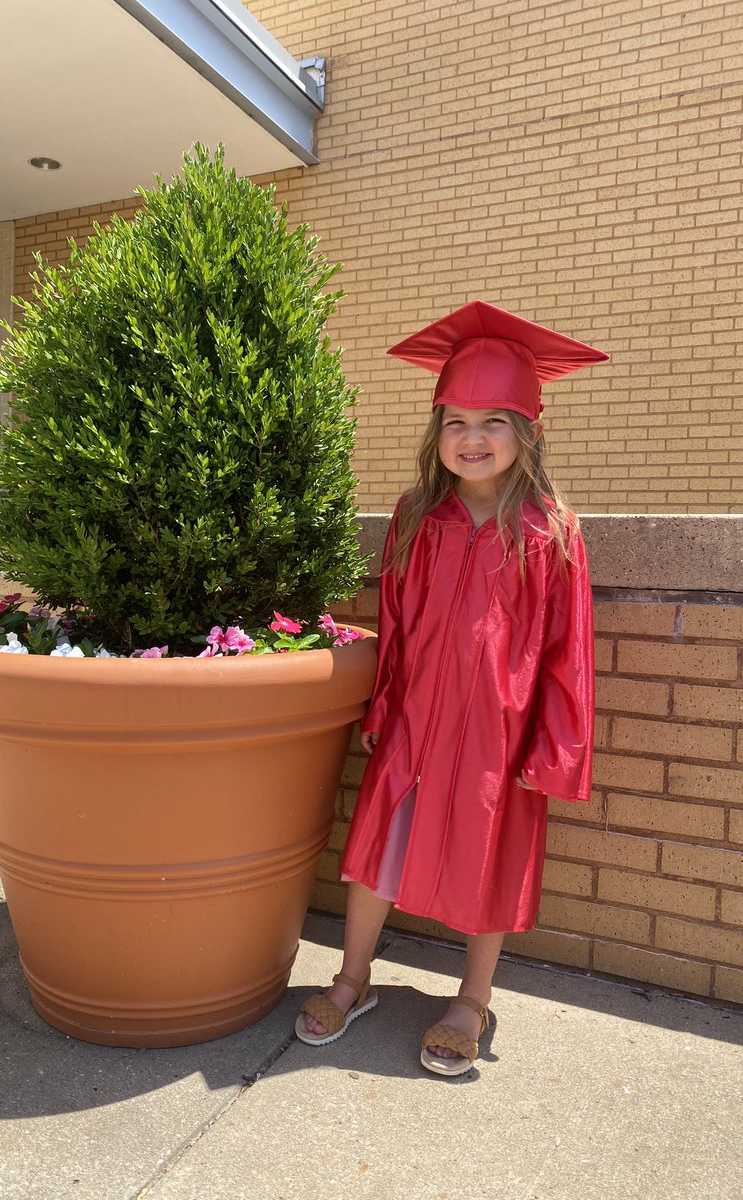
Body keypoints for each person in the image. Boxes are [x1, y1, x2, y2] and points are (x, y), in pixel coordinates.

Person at [294, 300, 608, 1075]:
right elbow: (395, 621)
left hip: (502, 732)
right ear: (437, 433)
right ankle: (352, 978)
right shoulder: (416, 516)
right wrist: (384, 703)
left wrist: (556, 746)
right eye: (456, 421)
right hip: (416, 720)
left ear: (527, 431)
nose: (472, 439)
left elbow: (571, 651)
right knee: (376, 850)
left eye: (493, 421)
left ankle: (472, 999)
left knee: (490, 856)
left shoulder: (551, 530)